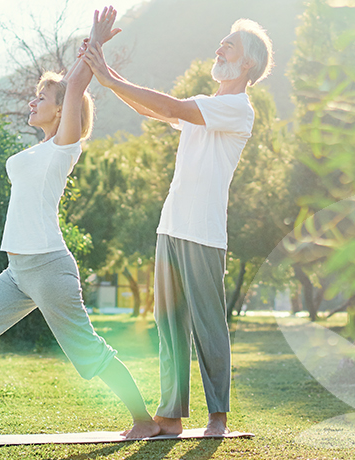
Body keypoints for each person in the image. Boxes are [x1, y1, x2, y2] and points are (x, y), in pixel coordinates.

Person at [0, 7, 159, 443]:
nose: (32, 101)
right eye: (35, 96)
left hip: (48, 266)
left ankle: (144, 421)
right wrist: (84, 51)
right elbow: (70, 86)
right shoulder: (39, 151)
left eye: (42, 98)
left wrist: (93, 43)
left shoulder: (64, 147)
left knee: (87, 350)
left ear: (64, 111)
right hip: (18, 271)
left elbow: (77, 84)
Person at [80, 13, 274, 436]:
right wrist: (106, 74)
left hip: (203, 233)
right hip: (170, 227)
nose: (219, 47)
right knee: (168, 326)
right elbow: (156, 111)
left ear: (246, 65)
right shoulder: (207, 103)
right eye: (221, 41)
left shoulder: (236, 109)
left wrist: (110, 77)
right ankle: (169, 416)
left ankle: (218, 417)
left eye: (230, 46)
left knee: (208, 326)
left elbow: (169, 105)